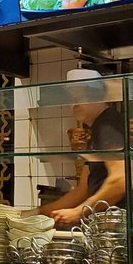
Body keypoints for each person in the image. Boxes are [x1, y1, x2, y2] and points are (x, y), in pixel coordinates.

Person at [38, 72, 126, 227]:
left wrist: (78, 212)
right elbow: (82, 190)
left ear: (98, 97)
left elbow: (120, 181)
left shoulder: (108, 125)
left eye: (79, 97)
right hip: (103, 225)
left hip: (119, 226)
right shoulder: (97, 130)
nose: (74, 104)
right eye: (71, 98)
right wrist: (40, 212)